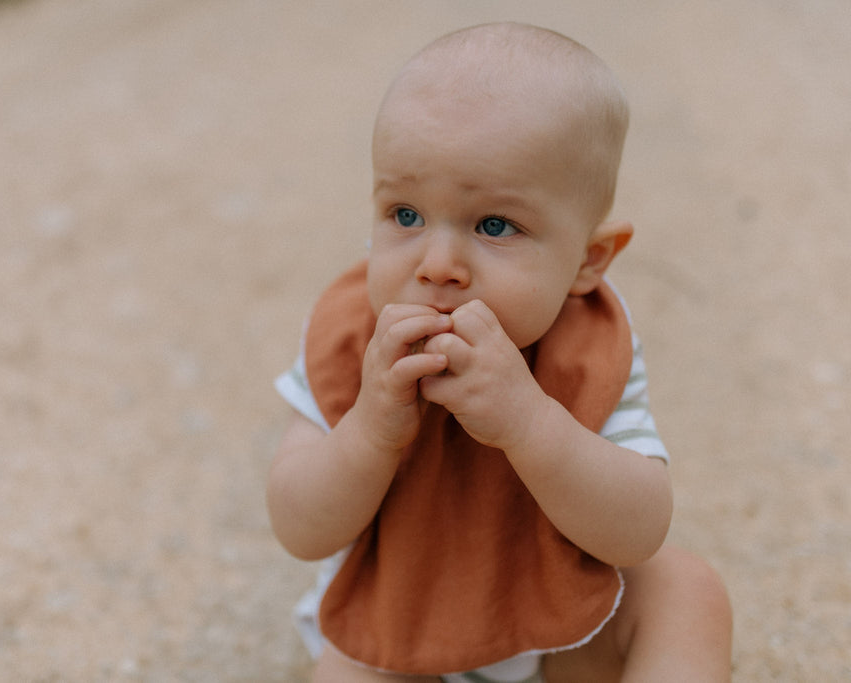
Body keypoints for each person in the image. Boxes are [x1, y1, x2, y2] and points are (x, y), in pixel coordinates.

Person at [268, 22, 732, 683]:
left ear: (588, 260)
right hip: (396, 622)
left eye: (495, 225)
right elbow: (299, 527)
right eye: (405, 214)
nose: (437, 264)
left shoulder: (587, 346)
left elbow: (638, 531)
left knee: (687, 591)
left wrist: (528, 421)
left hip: (565, 620)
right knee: (349, 667)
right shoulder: (350, 339)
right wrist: (370, 431)